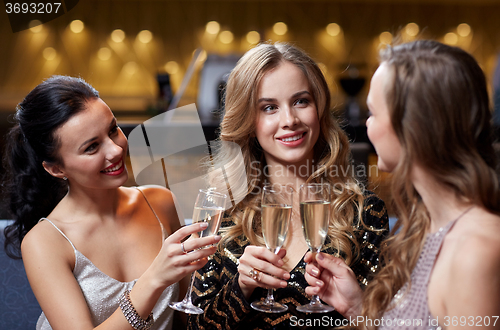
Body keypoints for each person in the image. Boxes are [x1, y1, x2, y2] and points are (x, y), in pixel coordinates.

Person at [187, 42, 389, 329]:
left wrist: (357, 307)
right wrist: (241, 288)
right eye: (269, 107)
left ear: (318, 108)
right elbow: (195, 327)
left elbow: (386, 324)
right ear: (248, 121)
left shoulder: (366, 213)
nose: (290, 120)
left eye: (301, 101)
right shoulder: (220, 212)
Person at [304, 40, 500, 329]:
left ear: (415, 127)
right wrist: (357, 308)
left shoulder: (476, 253)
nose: (367, 125)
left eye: (373, 113)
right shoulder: (425, 225)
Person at [2, 75, 221, 330]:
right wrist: (153, 280)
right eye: (92, 147)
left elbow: (186, 317)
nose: (116, 150)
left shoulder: (160, 201)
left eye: (113, 130)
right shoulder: (45, 242)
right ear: (56, 168)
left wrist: (241, 284)